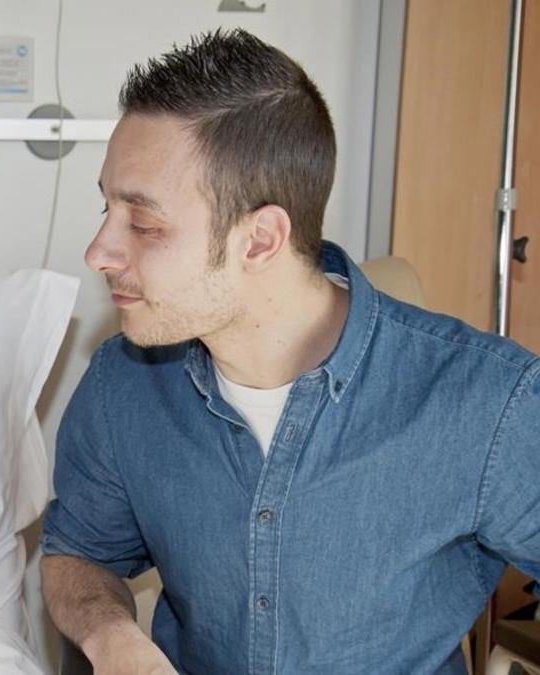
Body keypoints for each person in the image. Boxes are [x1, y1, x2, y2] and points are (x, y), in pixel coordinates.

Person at [41, 29, 540, 674]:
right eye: (105, 207)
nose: (99, 251)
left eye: (143, 224)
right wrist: (114, 638)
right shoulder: (122, 386)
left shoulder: (487, 402)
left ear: (260, 240)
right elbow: (78, 551)